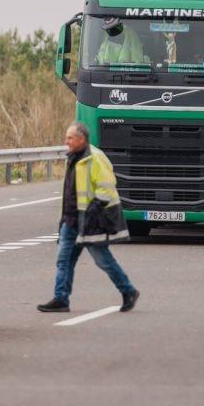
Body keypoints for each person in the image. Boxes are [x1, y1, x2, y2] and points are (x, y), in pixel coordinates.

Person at [37, 122, 140, 313]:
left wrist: (94, 209)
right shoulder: (74, 157)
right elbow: (70, 193)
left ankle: (128, 290)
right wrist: (63, 221)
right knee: (64, 261)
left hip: (91, 221)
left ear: (81, 139)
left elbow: (107, 186)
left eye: (70, 138)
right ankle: (61, 299)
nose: (66, 141)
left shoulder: (94, 158)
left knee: (103, 260)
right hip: (71, 221)